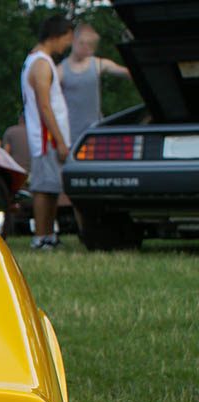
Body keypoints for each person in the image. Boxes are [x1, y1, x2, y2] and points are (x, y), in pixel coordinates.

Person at [21, 14, 74, 250]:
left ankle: (49, 235)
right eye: (67, 38)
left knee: (51, 187)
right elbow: (44, 105)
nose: (68, 44)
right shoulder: (41, 64)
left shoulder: (37, 61)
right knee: (43, 187)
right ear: (55, 36)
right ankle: (41, 237)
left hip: (48, 137)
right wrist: (61, 141)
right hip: (46, 138)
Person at [59, 23, 131, 138]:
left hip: (96, 131)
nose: (86, 48)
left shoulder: (98, 64)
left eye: (90, 45)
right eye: (82, 43)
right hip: (71, 134)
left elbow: (128, 72)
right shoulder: (60, 71)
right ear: (74, 40)